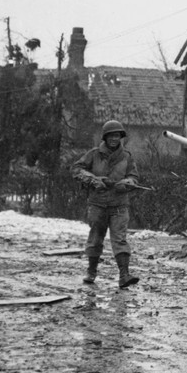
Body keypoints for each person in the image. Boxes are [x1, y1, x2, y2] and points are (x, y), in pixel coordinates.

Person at [72, 120, 141, 289]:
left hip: (119, 205)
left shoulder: (127, 156)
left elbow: (134, 176)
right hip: (97, 204)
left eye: (117, 136)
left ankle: (124, 275)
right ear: (105, 137)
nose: (114, 139)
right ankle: (91, 271)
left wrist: (128, 182)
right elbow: (76, 169)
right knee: (95, 238)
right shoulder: (94, 154)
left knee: (120, 239)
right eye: (111, 136)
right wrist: (93, 179)